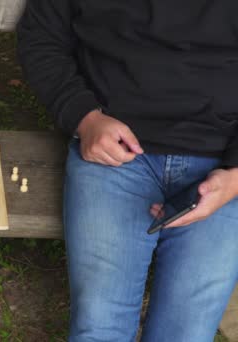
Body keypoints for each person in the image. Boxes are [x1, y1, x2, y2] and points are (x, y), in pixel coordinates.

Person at [18, 1, 238, 341]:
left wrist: (236, 177)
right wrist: (85, 118)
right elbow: (41, 35)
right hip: (113, 150)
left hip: (223, 163)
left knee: (187, 333)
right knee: (99, 326)